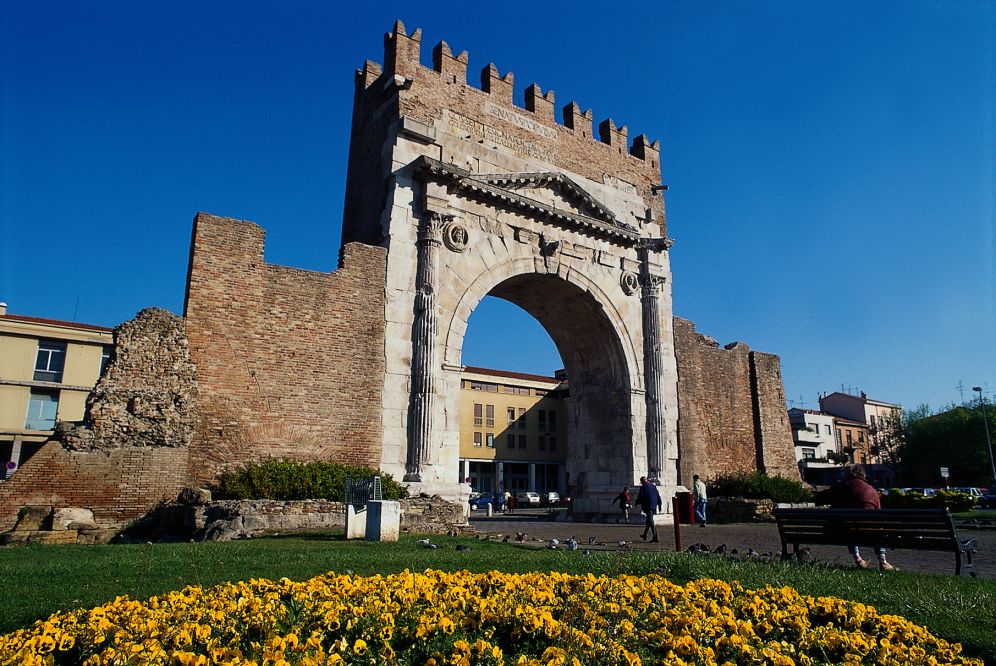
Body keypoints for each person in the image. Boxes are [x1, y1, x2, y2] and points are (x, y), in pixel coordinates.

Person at [815, 465, 896, 571]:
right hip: (871, 531)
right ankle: (883, 561)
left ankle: (858, 559)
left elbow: (819, 498)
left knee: (847, 525)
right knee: (876, 526)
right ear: (862, 475)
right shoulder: (872, 490)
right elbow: (879, 514)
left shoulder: (841, 488)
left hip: (844, 531)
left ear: (847, 475)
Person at [635, 476, 662, 542]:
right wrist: (659, 504)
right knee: (648, 520)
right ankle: (644, 534)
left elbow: (641, 496)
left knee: (651, 521)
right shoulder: (653, 486)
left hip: (647, 506)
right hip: (653, 505)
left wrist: (637, 503)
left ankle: (655, 537)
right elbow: (657, 495)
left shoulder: (643, 487)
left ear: (642, 481)